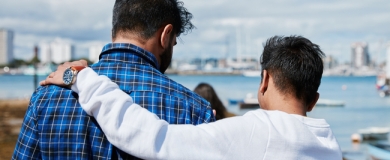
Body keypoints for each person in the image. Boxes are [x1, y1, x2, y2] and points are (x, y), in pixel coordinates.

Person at [41, 35, 343, 159]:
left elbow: (154, 139)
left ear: (264, 80)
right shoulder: (329, 145)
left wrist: (83, 78)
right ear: (313, 100)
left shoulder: (258, 130)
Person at [13, 0, 214, 159]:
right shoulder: (194, 109)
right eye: (174, 42)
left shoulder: (47, 96)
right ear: (165, 35)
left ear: (114, 32)